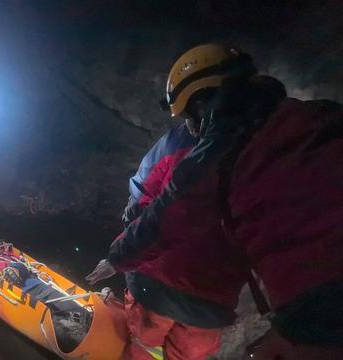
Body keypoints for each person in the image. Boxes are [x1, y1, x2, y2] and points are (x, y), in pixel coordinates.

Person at [94, 43, 343, 358]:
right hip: (212, 307)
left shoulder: (210, 154)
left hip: (313, 314)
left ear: (199, 104)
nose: (187, 124)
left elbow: (159, 211)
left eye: (187, 114)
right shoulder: (315, 117)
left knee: (142, 344)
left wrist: (118, 255)